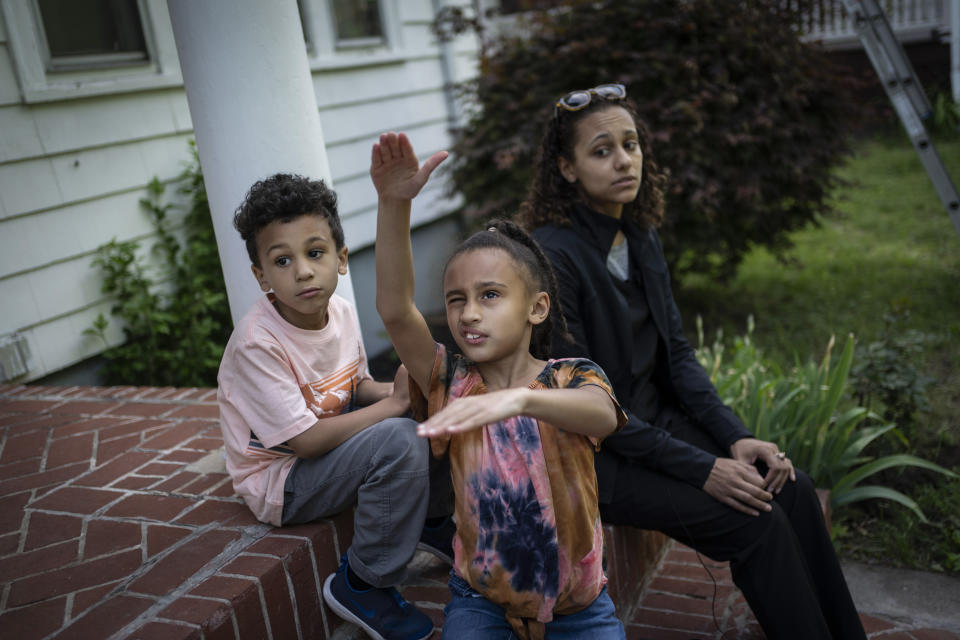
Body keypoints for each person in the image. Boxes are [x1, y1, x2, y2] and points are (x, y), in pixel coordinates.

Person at [517, 84, 868, 640]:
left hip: (656, 428)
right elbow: (585, 410)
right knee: (752, 519)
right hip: (594, 454)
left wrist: (735, 437)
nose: (623, 160)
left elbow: (676, 356)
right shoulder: (552, 257)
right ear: (566, 168)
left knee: (790, 488)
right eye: (601, 150)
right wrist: (704, 469)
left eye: (630, 145)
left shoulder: (638, 235)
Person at [371, 131, 628, 640]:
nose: (469, 313)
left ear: (536, 307)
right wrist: (393, 204)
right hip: (483, 605)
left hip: (582, 611)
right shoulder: (450, 381)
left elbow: (602, 415)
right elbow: (396, 311)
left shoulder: (570, 376)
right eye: (456, 299)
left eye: (490, 295)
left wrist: (522, 399)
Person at [217, 173, 435, 640]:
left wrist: (410, 393)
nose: (302, 271)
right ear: (262, 276)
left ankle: (433, 525)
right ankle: (364, 583)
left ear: (339, 259)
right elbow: (308, 441)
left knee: (432, 407)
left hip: (329, 453)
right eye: (282, 260)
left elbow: (355, 388)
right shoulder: (258, 344)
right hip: (282, 481)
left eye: (314, 253)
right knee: (399, 439)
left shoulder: (341, 313)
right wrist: (394, 407)